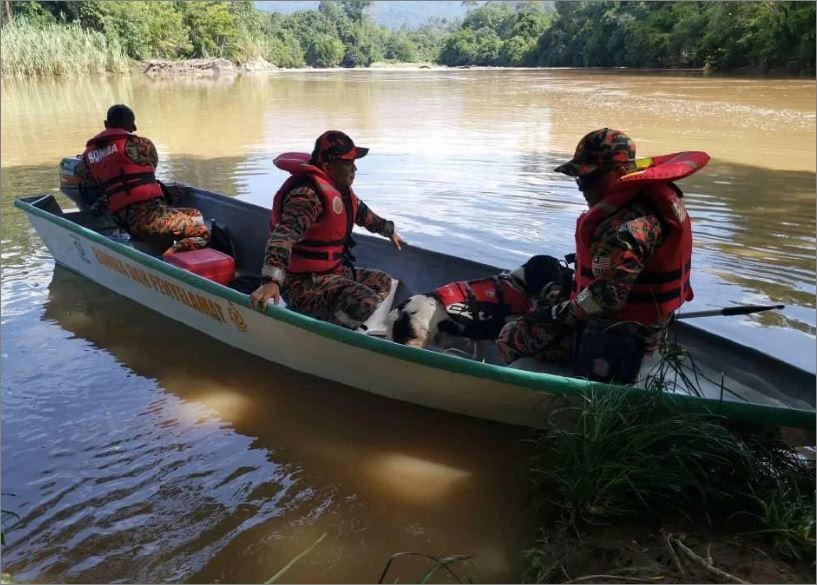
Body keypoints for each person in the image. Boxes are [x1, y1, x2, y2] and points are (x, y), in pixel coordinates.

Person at [496, 128, 708, 383]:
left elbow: (607, 298)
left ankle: (518, 390)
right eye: (578, 180)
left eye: (589, 179)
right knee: (543, 273)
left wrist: (556, 313)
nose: (582, 188)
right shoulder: (650, 199)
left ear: (619, 173)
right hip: (650, 326)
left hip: (621, 335)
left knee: (509, 334)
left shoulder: (622, 228)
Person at [250, 130, 405, 329]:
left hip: (332, 273)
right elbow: (283, 236)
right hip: (300, 284)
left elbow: (364, 215)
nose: (354, 168)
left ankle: (343, 321)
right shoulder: (307, 196)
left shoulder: (340, 190)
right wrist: (271, 280)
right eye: (348, 163)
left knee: (383, 281)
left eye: (354, 162)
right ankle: (333, 333)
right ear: (327, 166)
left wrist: (389, 230)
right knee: (365, 301)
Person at [77, 104, 210, 256]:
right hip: (148, 219)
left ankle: (165, 249)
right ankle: (168, 261)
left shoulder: (87, 156)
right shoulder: (142, 145)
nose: (135, 127)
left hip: (122, 221)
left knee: (194, 214)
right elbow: (148, 172)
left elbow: (86, 178)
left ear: (106, 125)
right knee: (202, 231)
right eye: (132, 123)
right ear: (131, 124)